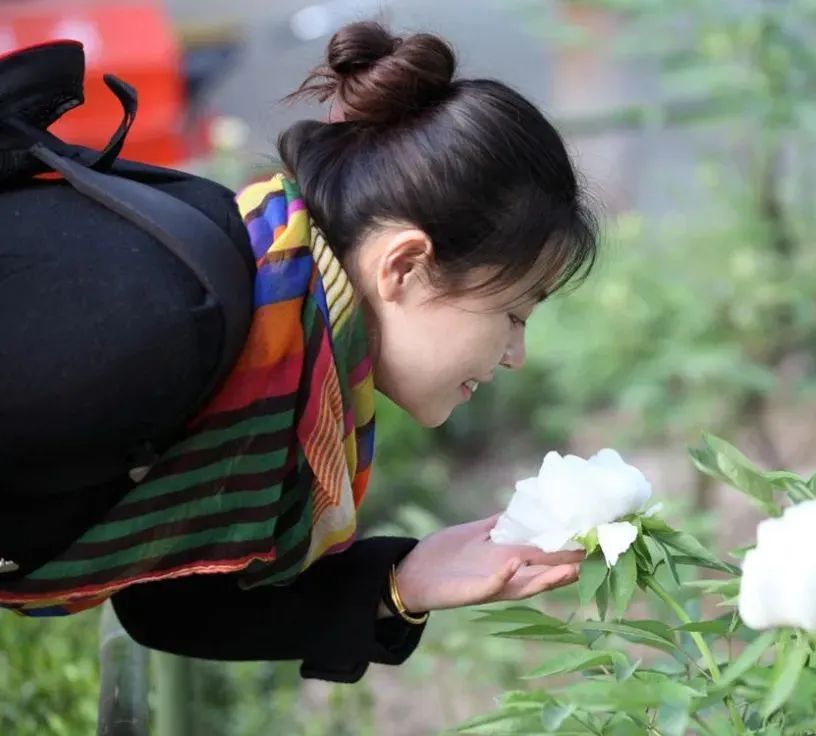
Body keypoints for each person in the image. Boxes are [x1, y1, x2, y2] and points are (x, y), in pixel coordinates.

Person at [0, 21, 598, 683]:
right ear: (403, 266)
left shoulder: (269, 345)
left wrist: (402, 581)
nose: (515, 354)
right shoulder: (165, 317)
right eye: (511, 314)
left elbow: (165, 595)